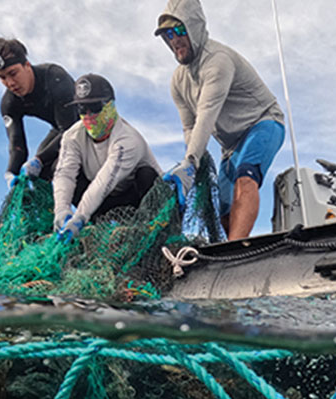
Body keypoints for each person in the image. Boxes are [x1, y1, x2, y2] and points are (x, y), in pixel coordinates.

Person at [155, 0, 285, 240]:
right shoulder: (177, 81)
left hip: (263, 123)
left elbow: (206, 112)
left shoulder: (218, 61)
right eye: (168, 35)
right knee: (223, 205)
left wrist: (191, 161)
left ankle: (236, 251)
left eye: (179, 30)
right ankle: (230, 248)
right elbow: (189, 127)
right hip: (230, 146)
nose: (175, 40)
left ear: (194, 27)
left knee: (245, 178)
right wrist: (191, 164)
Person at [52, 74, 162, 240]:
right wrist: (61, 210)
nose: (88, 116)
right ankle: (97, 229)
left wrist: (80, 217)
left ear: (111, 106)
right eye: (82, 109)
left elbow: (104, 181)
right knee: (57, 167)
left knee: (146, 175)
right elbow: (65, 174)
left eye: (95, 107)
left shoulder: (128, 140)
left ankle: (151, 234)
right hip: (102, 202)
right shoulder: (71, 136)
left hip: (135, 198)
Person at [0, 36, 79, 187]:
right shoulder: (9, 103)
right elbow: (17, 146)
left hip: (85, 126)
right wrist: (10, 172)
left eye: (13, 73)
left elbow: (70, 130)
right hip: (60, 129)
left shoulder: (54, 77)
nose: (10, 83)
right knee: (39, 174)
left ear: (27, 65)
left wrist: (40, 159)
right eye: (2, 77)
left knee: (56, 166)